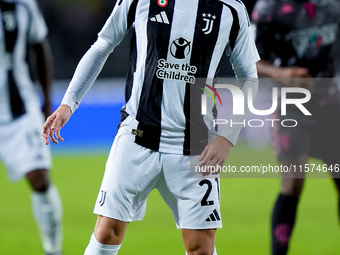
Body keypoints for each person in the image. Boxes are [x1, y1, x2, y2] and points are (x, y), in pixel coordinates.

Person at [42, 0, 259, 254]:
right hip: (136, 137)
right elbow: (102, 46)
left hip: (196, 149)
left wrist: (227, 138)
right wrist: (69, 103)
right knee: (107, 231)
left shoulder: (230, 8)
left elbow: (249, 77)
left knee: (200, 246)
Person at [251, 0, 340, 254]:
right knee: (292, 184)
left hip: (331, 106)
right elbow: (250, 60)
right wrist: (282, 74)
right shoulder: (269, 9)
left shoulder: (332, 5)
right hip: (291, 108)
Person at [0, 0, 63, 254]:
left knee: (39, 179)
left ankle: (53, 249)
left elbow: (40, 48)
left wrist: (47, 103)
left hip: (20, 110)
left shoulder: (24, 6)